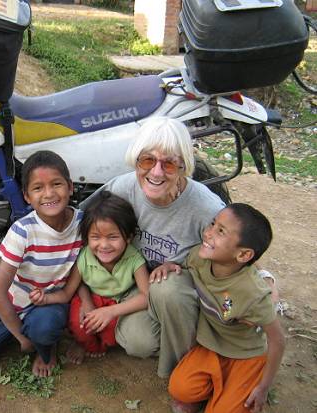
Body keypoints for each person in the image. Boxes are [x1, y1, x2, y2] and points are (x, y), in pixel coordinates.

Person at [83, 116, 277, 378]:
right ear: (136, 160)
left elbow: (238, 252)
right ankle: (190, 333)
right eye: (147, 160)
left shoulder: (204, 207)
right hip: (139, 286)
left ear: (184, 166)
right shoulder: (124, 187)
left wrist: (266, 280)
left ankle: (182, 370)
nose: (156, 172)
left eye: (170, 164)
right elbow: (82, 219)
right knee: (137, 342)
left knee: (168, 288)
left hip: (183, 290)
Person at [0, 150, 83, 377]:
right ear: (27, 196)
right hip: (14, 302)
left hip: (50, 303)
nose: (49, 194)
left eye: (56, 184)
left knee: (44, 327)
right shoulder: (22, 232)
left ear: (70, 187)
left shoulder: (82, 223)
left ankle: (46, 347)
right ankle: (24, 332)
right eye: (38, 188)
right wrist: (21, 338)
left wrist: (39, 344)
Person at [168, 203, 285, 413]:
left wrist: (264, 387)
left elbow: (277, 340)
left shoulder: (253, 294)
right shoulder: (198, 258)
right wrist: (169, 266)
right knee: (180, 389)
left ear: (243, 255)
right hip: (212, 345)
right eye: (213, 224)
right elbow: (184, 266)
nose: (208, 233)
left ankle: (242, 384)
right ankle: (220, 385)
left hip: (246, 355)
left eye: (220, 231)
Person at [62, 191, 150, 364]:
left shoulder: (134, 259)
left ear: (129, 238)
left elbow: (146, 296)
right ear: (86, 238)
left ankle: (103, 344)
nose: (104, 245)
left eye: (113, 237)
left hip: (116, 303)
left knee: (112, 332)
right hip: (89, 297)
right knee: (80, 324)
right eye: (95, 237)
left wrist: (109, 312)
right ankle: (82, 343)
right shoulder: (85, 256)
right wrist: (86, 303)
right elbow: (75, 284)